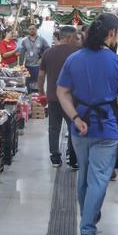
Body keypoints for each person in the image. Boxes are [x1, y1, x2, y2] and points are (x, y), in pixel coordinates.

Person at [56, 13, 118, 235]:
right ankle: (88, 229)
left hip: (79, 127)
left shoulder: (74, 59)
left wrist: (76, 117)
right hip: (107, 127)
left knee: (84, 174)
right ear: (111, 33)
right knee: (99, 178)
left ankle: (89, 217)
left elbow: (62, 92)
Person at [38, 25, 80, 169]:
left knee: (53, 128)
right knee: (73, 126)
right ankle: (73, 158)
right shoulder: (77, 53)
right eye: (75, 38)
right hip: (72, 99)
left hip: (53, 97)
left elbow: (41, 75)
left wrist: (41, 94)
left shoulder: (48, 53)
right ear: (69, 37)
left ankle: (55, 158)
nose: (77, 40)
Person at [17, 24, 49, 93]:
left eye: (33, 28)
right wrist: (20, 65)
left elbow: (48, 50)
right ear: (28, 30)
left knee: (38, 84)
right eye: (30, 29)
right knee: (27, 85)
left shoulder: (42, 40)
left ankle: (38, 99)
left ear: (36, 29)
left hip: (38, 66)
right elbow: (22, 54)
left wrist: (42, 59)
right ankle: (29, 98)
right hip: (27, 66)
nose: (32, 30)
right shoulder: (24, 41)